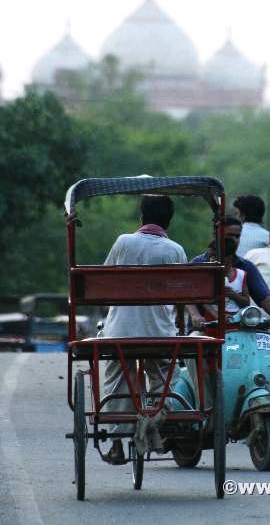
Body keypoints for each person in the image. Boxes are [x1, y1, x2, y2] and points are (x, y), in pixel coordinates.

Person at [101, 194, 187, 464]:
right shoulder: (175, 250)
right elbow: (182, 295)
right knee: (164, 373)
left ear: (141, 217)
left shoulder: (123, 242)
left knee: (118, 375)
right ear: (169, 221)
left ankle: (116, 440)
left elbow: (103, 281)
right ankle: (163, 418)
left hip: (121, 333)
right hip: (159, 334)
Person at [190, 216, 270, 329]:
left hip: (236, 332)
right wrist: (195, 315)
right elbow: (187, 295)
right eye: (229, 236)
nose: (234, 240)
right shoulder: (198, 264)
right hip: (204, 331)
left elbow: (264, 297)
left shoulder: (246, 267)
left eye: (237, 236)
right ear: (216, 235)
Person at [188, 236, 250, 329]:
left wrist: (234, 295)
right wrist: (218, 315)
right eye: (210, 257)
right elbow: (203, 300)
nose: (211, 260)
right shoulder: (207, 275)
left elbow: (246, 302)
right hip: (213, 323)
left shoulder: (241, 275)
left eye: (214, 257)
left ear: (229, 258)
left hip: (235, 323)